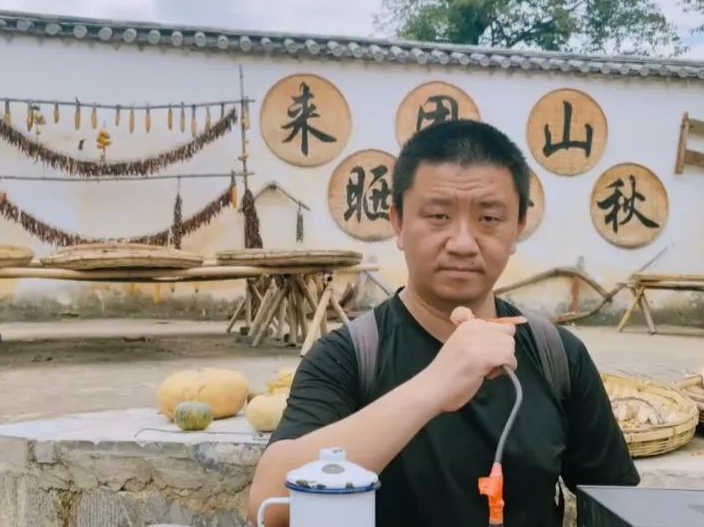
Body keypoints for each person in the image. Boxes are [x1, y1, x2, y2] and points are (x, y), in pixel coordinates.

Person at [246, 119, 639, 527]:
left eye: (489, 219)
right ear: (398, 223)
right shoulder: (348, 357)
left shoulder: (557, 356)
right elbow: (267, 504)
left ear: (518, 228)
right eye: (438, 216)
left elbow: (617, 502)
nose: (463, 243)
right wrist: (436, 385)